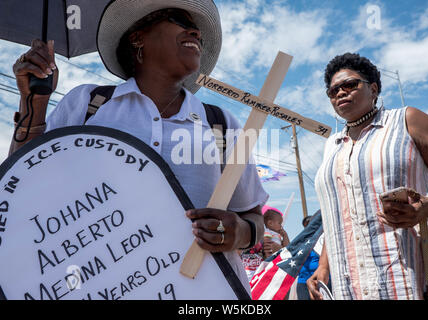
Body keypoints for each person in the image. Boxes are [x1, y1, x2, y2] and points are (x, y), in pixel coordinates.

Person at [9, 0, 268, 293]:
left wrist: (238, 233)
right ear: (137, 37)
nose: (195, 32)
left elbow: (254, 219)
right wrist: (34, 103)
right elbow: (21, 189)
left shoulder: (221, 123)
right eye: (180, 20)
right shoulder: (88, 105)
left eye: (197, 29)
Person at [307, 52, 428, 300]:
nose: (340, 92)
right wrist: (324, 266)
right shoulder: (332, 145)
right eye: (333, 91)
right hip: (348, 285)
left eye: (350, 85)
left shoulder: (407, 121)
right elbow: (337, 214)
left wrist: (426, 207)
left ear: (373, 89)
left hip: (408, 279)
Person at [296, 215, 321, 300]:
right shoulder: (301, 241)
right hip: (303, 282)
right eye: (306, 225)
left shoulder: (323, 240)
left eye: (310, 223)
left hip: (320, 281)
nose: (308, 226)